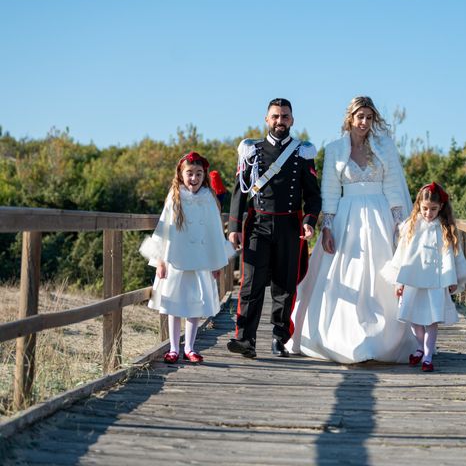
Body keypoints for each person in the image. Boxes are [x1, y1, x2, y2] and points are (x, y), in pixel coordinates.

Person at [286, 96, 416, 363]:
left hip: (379, 216)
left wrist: (400, 224)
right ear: (350, 118)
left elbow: (393, 187)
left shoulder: (385, 147)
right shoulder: (334, 149)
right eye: (360, 117)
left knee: (380, 277)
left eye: (369, 117)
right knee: (346, 275)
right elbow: (330, 191)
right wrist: (328, 227)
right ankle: (345, 338)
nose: (364, 122)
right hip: (347, 218)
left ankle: (384, 340)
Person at [227, 98, 322, 359]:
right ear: (267, 119)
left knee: (285, 285)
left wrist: (309, 221)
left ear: (292, 120)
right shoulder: (251, 150)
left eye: (285, 116)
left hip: (290, 226)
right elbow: (239, 191)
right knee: (251, 284)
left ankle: (280, 339)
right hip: (258, 224)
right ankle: (245, 339)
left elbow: (313, 195)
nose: (280, 121)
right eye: (276, 116)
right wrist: (234, 226)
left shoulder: (302, 152)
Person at [140, 151, 234, 363]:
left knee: (195, 305)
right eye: (190, 173)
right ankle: (173, 348)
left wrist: (216, 262)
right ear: (181, 175)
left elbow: (215, 233)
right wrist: (160, 261)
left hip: (201, 262)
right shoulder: (174, 198)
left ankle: (190, 347)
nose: (194, 178)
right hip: (176, 260)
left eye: (199, 174)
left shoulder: (209, 199)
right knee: (174, 305)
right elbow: (164, 231)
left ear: (204, 176)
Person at [385, 182, 466, 372]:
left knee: (432, 320)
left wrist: (455, 280)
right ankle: (420, 346)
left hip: (436, 281)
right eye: (425, 209)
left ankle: (427, 356)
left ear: (441, 207)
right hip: (412, 280)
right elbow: (401, 254)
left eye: (433, 209)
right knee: (413, 319)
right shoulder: (410, 226)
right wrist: (398, 281)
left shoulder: (444, 228)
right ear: (419, 205)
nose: (428, 213)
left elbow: (455, 255)